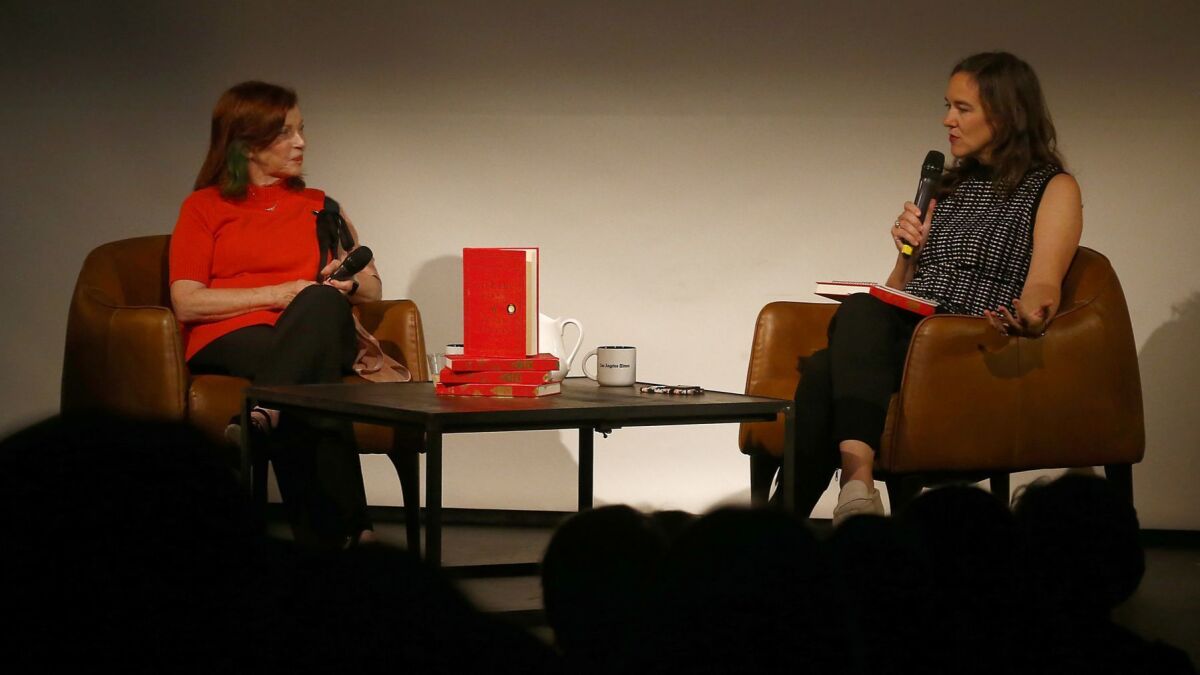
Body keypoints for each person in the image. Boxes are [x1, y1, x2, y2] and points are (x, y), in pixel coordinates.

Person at [780, 52, 1083, 525]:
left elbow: (1045, 279)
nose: (948, 120)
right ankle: (850, 494)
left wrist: (1033, 314)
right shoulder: (945, 186)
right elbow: (903, 286)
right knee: (840, 346)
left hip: (965, 339)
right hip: (913, 327)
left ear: (1005, 114)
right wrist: (907, 249)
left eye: (962, 109)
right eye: (948, 106)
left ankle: (783, 529)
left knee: (828, 364)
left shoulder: (1051, 186)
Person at [169, 81, 383, 548]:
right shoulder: (203, 208)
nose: (301, 142)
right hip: (234, 336)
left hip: (314, 330)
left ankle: (262, 412)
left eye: (301, 130)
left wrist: (345, 284)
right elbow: (186, 300)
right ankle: (348, 531)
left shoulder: (322, 206)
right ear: (245, 141)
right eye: (285, 133)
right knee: (311, 383)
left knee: (322, 304)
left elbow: (372, 286)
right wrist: (280, 292)